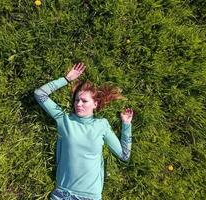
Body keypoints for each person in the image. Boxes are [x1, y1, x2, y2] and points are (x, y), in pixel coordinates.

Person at [34, 63, 133, 200]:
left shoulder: (102, 125)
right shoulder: (65, 120)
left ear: (95, 104)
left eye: (84, 101)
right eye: (76, 100)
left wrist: (126, 125)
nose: (78, 104)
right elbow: (40, 94)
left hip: (90, 197)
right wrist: (66, 79)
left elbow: (124, 155)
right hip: (63, 194)